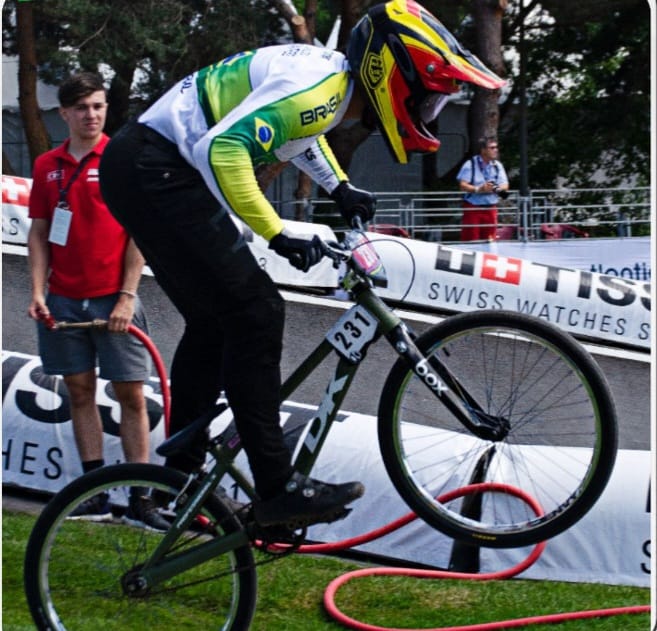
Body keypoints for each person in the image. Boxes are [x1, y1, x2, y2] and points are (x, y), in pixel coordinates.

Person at [99, 0, 505, 530]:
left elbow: (295, 133)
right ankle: (277, 487)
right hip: (155, 167)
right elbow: (224, 150)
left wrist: (339, 187)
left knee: (216, 321)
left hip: (145, 164)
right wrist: (278, 230)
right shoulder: (322, 88)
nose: (428, 115)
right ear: (392, 75)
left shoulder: (332, 87)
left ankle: (179, 479)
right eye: (427, 102)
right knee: (257, 310)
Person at [27, 72, 168, 531]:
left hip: (114, 300)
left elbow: (140, 231)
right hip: (64, 300)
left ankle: (141, 500)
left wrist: (127, 297)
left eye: (98, 106)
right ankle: (95, 493)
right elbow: (40, 231)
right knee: (79, 392)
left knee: (130, 393)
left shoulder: (119, 160)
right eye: (82, 107)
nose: (91, 115)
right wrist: (36, 293)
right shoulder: (48, 165)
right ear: (64, 113)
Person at [457, 136, 509, 241]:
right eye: (492, 148)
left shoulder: (498, 165)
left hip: (491, 208)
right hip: (473, 207)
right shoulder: (470, 164)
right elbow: (462, 185)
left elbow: (505, 186)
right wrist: (479, 189)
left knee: (490, 240)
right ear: (483, 150)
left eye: (496, 147)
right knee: (471, 239)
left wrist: (494, 188)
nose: (496, 150)